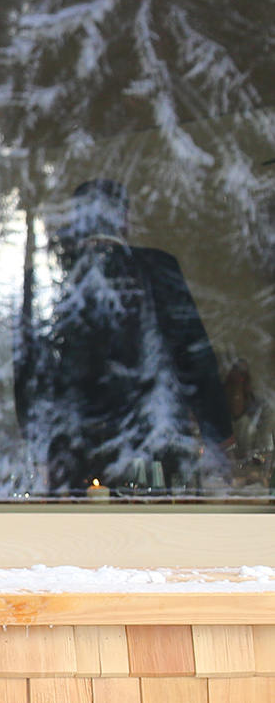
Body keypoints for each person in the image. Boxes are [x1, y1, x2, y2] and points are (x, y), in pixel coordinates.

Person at [15, 177, 232, 492]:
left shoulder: (47, 280)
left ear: (76, 221)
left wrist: (38, 445)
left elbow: (27, 375)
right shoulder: (159, 269)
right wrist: (220, 434)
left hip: (73, 452)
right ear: (125, 221)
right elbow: (195, 360)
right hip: (154, 444)